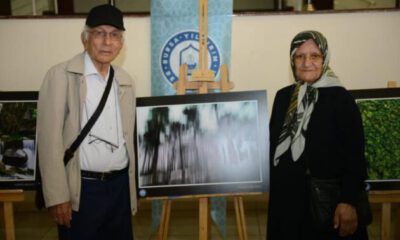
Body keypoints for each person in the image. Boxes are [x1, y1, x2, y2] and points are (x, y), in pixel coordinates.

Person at [37, 4, 136, 240]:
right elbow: (48, 140)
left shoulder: (124, 81)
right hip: (82, 190)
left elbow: (127, 138)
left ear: (121, 43)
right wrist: (57, 195)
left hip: (119, 186)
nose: (107, 41)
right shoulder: (60, 76)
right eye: (99, 33)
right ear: (85, 38)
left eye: (114, 35)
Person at [267, 30, 369, 239]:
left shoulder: (341, 99)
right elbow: (272, 146)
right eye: (300, 56)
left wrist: (348, 201)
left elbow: (355, 156)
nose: (307, 63)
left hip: (328, 207)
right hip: (289, 205)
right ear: (292, 60)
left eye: (315, 56)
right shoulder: (284, 97)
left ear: (325, 59)